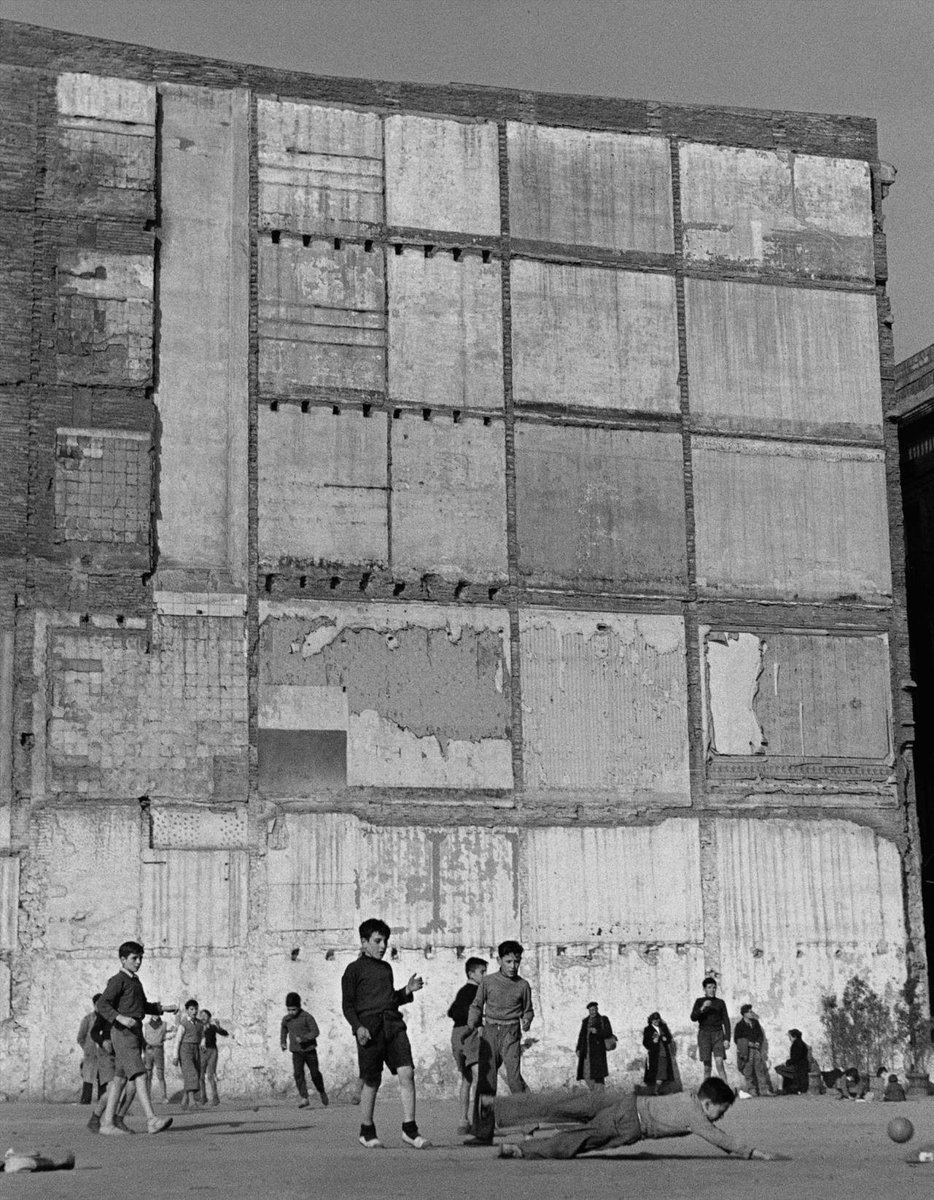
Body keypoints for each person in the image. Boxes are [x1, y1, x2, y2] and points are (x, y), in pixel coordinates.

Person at [488, 1077, 787, 1160]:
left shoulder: (689, 1095)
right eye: (720, 1111)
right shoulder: (696, 1116)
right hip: (629, 1122)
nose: (719, 1118)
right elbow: (720, 1139)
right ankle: (519, 1149)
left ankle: (497, 1108)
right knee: (574, 1142)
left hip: (623, 1099)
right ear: (708, 1103)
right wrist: (754, 1152)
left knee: (558, 1102)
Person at [341, 917, 429, 1149]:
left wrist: (406, 991)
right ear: (363, 942)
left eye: (385, 941)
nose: (383, 946)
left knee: (407, 1073)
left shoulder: (386, 968)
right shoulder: (353, 971)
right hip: (369, 1030)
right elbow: (348, 1006)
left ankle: (410, 1129)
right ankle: (366, 1130)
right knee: (372, 1080)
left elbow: (390, 999)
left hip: (393, 1025)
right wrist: (358, 1027)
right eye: (378, 941)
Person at [94, 940, 174, 1134]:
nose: (138, 962)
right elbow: (103, 1005)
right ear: (123, 959)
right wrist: (120, 1018)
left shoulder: (134, 981)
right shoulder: (118, 980)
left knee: (121, 1079)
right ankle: (151, 1120)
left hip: (134, 1033)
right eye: (134, 958)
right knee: (140, 1074)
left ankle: (107, 1124)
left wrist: (163, 1008)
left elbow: (142, 1006)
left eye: (140, 958)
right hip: (123, 1034)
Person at [464, 940, 534, 1146]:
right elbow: (476, 1005)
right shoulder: (488, 982)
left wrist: (528, 1019)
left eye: (517, 961)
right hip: (490, 1033)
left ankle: (529, 1128)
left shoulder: (523, 985)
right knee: (487, 1083)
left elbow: (528, 1009)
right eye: (509, 961)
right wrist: (472, 1023)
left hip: (511, 1034)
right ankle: (484, 1133)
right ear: (499, 960)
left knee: (514, 1080)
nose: (513, 966)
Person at [447, 957, 488, 1133]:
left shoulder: (462, 991)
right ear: (471, 973)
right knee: (480, 1077)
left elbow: (452, 1011)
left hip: (456, 1034)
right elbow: (466, 1011)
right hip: (469, 1033)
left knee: (467, 1079)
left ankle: (463, 1120)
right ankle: (482, 1122)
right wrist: (477, 1024)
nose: (485, 976)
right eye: (482, 972)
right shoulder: (475, 991)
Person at [86, 1010, 137, 1133]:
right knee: (112, 1089)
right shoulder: (106, 1010)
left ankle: (119, 1118)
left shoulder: (128, 1007)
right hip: (107, 1054)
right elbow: (94, 1032)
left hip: (124, 1051)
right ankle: (96, 1117)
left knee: (132, 1088)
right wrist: (102, 1041)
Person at [281, 992, 328, 1109]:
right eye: (289, 1009)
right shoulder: (287, 1019)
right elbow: (284, 1029)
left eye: (294, 1009)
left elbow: (315, 1031)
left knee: (315, 1074)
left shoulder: (307, 1017)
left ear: (299, 1007)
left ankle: (321, 1091)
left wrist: (304, 1038)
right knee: (298, 1074)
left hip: (309, 1051)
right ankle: (304, 1097)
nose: (291, 1012)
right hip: (296, 1052)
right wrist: (283, 1042)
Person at [690, 977, 730, 1082]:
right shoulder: (699, 1001)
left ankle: (725, 1089)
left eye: (714, 987)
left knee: (719, 1063)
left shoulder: (720, 1002)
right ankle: (706, 1091)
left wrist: (727, 1038)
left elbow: (726, 1021)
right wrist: (702, 1007)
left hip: (718, 1034)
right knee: (707, 1067)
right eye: (709, 987)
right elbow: (693, 1018)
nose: (712, 990)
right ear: (704, 989)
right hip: (704, 1034)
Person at [733, 1003, 774, 1097]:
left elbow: (760, 1035)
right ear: (744, 1013)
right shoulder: (739, 1025)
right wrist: (747, 1043)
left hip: (756, 1050)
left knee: (760, 1070)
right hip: (746, 1051)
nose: (751, 1013)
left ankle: (764, 1090)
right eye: (749, 1012)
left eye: (751, 1011)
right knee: (748, 1071)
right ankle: (752, 1091)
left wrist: (758, 1042)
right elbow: (737, 1039)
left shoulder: (755, 1023)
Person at [576, 1002, 615, 1091]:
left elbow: (608, 1032)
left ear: (597, 1009)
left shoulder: (603, 1019)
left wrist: (597, 1032)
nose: (592, 1012)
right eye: (590, 1010)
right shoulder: (585, 1021)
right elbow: (581, 1036)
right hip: (586, 1051)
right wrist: (578, 1048)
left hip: (598, 1051)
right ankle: (593, 1089)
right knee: (586, 1073)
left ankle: (599, 1092)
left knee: (598, 1073)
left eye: (593, 1009)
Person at [173, 999, 203, 1109]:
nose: (194, 1011)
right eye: (192, 1009)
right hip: (185, 1050)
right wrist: (175, 1056)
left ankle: (184, 1101)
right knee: (191, 1073)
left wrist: (203, 1044)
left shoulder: (200, 1024)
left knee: (196, 1073)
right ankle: (192, 1101)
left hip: (196, 1050)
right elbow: (177, 1040)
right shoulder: (183, 1024)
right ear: (187, 1011)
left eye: (196, 1009)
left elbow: (202, 1035)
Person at [198, 1009, 229, 1106]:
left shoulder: (212, 1027)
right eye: (201, 1015)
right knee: (201, 1076)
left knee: (211, 1075)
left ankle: (215, 1098)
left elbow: (225, 1033)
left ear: (209, 1017)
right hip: (201, 1052)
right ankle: (203, 1097)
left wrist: (219, 1026)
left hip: (212, 1052)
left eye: (205, 1015)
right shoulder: (198, 1027)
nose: (203, 1017)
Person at [77, 994, 102, 1104]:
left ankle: (102, 1101)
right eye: (98, 1004)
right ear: (94, 1005)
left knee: (103, 1079)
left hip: (103, 1054)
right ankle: (85, 1101)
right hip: (91, 1054)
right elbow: (80, 1037)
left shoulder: (107, 1019)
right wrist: (87, 1048)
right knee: (88, 1078)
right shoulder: (88, 1019)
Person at [642, 1011, 674, 1095]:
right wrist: (652, 1041)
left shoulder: (663, 1027)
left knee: (662, 1072)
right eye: (654, 1020)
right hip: (654, 1054)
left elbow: (669, 1038)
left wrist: (666, 1039)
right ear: (651, 1020)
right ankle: (655, 1090)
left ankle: (656, 1090)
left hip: (663, 1053)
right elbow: (645, 1042)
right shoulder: (648, 1029)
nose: (656, 1021)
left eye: (657, 1019)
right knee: (656, 1073)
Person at [143, 1013, 171, 1103]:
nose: (156, 1015)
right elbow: (143, 1038)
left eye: (157, 1013)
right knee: (148, 1074)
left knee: (160, 1074)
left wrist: (165, 1038)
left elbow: (174, 1031)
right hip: (148, 1049)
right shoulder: (146, 1025)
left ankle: (164, 1097)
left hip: (158, 1049)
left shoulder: (164, 1024)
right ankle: (147, 1096)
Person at [775, 1029, 809, 1094]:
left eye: (790, 1036)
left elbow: (795, 1058)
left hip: (798, 1067)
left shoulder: (796, 1044)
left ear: (794, 1036)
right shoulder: (802, 1043)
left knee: (778, 1068)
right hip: (801, 1066)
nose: (789, 1038)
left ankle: (780, 1089)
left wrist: (786, 1063)